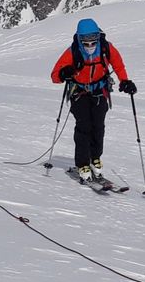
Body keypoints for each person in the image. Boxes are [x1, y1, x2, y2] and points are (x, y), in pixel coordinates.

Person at [49, 18, 136, 184]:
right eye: (86, 43)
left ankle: (95, 157)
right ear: (80, 39)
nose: (90, 46)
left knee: (98, 126)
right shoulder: (72, 52)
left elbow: (118, 65)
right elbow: (55, 75)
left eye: (93, 42)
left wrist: (125, 81)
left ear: (98, 37)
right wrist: (63, 73)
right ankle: (82, 164)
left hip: (99, 91)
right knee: (84, 126)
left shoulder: (106, 48)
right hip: (79, 93)